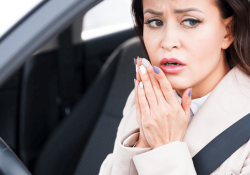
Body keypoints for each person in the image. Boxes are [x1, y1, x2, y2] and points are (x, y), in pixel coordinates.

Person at [99, 0, 250, 174]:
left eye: (191, 21)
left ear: (228, 32)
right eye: (155, 22)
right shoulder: (143, 97)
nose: (168, 42)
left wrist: (165, 147)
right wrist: (143, 142)